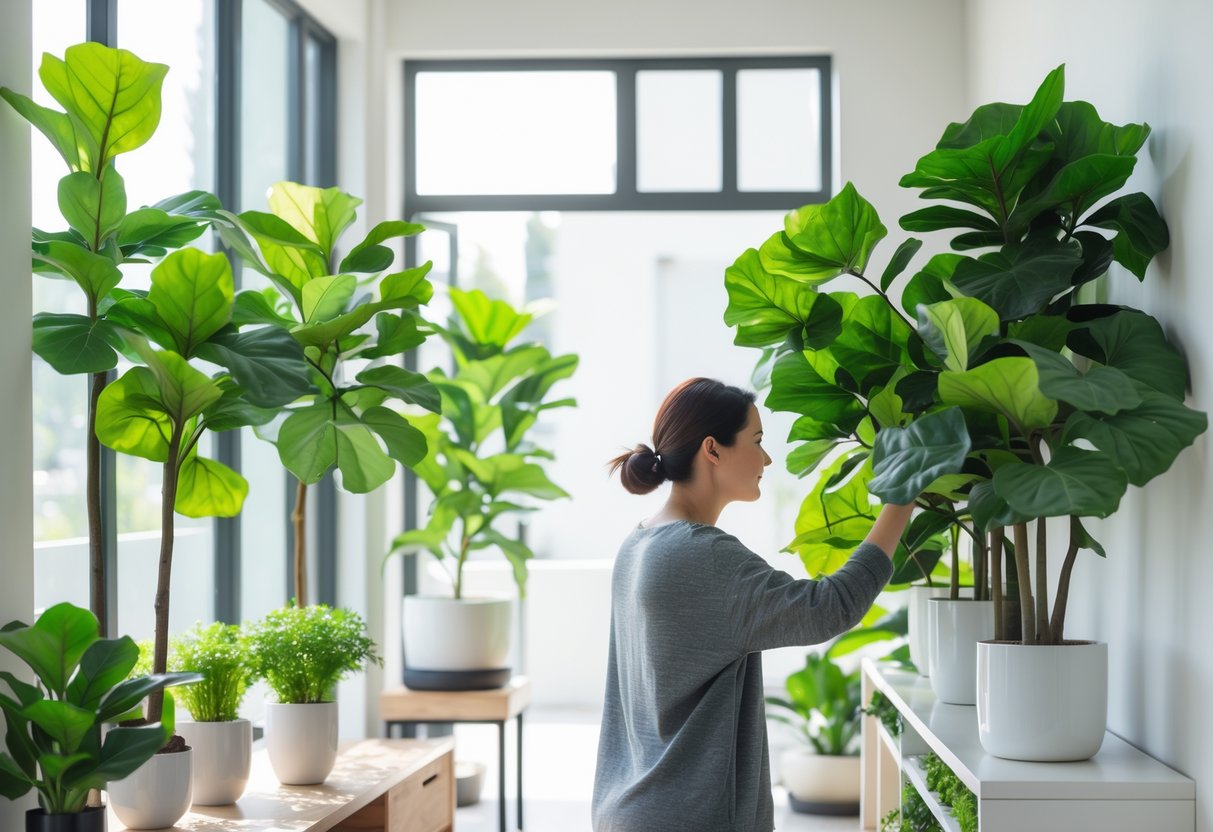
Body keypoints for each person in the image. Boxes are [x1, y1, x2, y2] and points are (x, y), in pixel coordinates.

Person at [591, 377, 915, 832]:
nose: (766, 458)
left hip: (628, 809)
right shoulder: (700, 555)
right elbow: (829, 608)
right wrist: (902, 499)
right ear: (713, 450)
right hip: (690, 819)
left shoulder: (639, 542)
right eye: (757, 441)